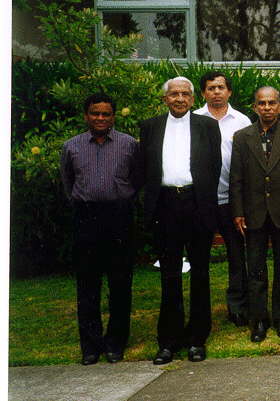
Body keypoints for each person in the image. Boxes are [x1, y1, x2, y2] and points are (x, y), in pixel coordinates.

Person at [139, 76, 221, 365]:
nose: (180, 99)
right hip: (165, 205)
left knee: (200, 272)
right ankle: (169, 340)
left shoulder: (207, 126)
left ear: (193, 99)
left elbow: (214, 166)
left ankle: (197, 338)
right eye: (174, 94)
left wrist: (204, 203)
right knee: (169, 274)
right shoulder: (150, 126)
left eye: (185, 94)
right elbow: (145, 168)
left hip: (196, 203)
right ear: (165, 99)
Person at [61, 92, 140, 365]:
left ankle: (116, 342)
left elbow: (137, 180)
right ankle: (91, 346)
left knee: (120, 283)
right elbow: (68, 182)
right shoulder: (71, 146)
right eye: (95, 113)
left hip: (119, 216)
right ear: (86, 116)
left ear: (113, 117)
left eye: (106, 114)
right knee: (87, 283)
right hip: (86, 217)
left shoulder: (129, 144)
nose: (100, 118)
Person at [230, 87, 280, 342]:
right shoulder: (242, 137)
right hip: (253, 213)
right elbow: (236, 179)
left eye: (271, 103)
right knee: (255, 267)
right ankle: (259, 319)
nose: (267, 107)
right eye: (262, 103)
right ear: (254, 107)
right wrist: (238, 212)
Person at [194, 70, 251, 327]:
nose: (216, 92)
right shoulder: (193, 119)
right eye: (211, 88)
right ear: (203, 93)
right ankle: (200, 309)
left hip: (232, 199)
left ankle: (237, 307)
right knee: (200, 257)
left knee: (237, 255)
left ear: (229, 92)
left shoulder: (242, 120)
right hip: (201, 200)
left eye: (220, 88)